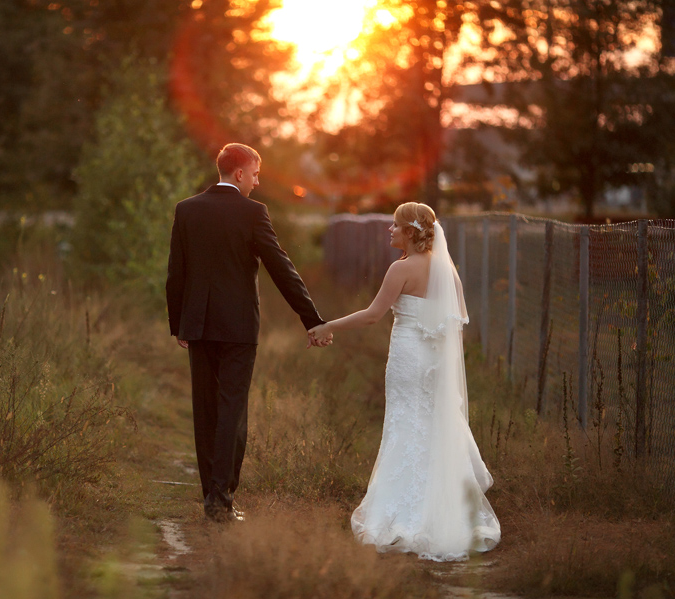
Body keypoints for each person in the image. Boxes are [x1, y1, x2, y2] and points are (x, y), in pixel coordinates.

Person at [309, 202, 500, 561]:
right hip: (434, 363)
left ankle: (402, 511)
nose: (390, 231)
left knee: (404, 426)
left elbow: (372, 316)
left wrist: (328, 325)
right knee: (431, 425)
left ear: (410, 233)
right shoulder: (448, 271)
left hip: (408, 358)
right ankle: (443, 510)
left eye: (396, 226)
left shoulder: (401, 269)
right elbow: (456, 325)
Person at [166, 143, 332, 523]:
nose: (257, 182)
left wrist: (179, 324)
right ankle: (220, 497)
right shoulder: (252, 213)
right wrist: (312, 319)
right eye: (256, 174)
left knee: (206, 411)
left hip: (198, 325)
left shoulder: (186, 209)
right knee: (232, 410)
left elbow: (176, 273)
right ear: (239, 173)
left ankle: (212, 493)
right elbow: (281, 268)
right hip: (238, 327)